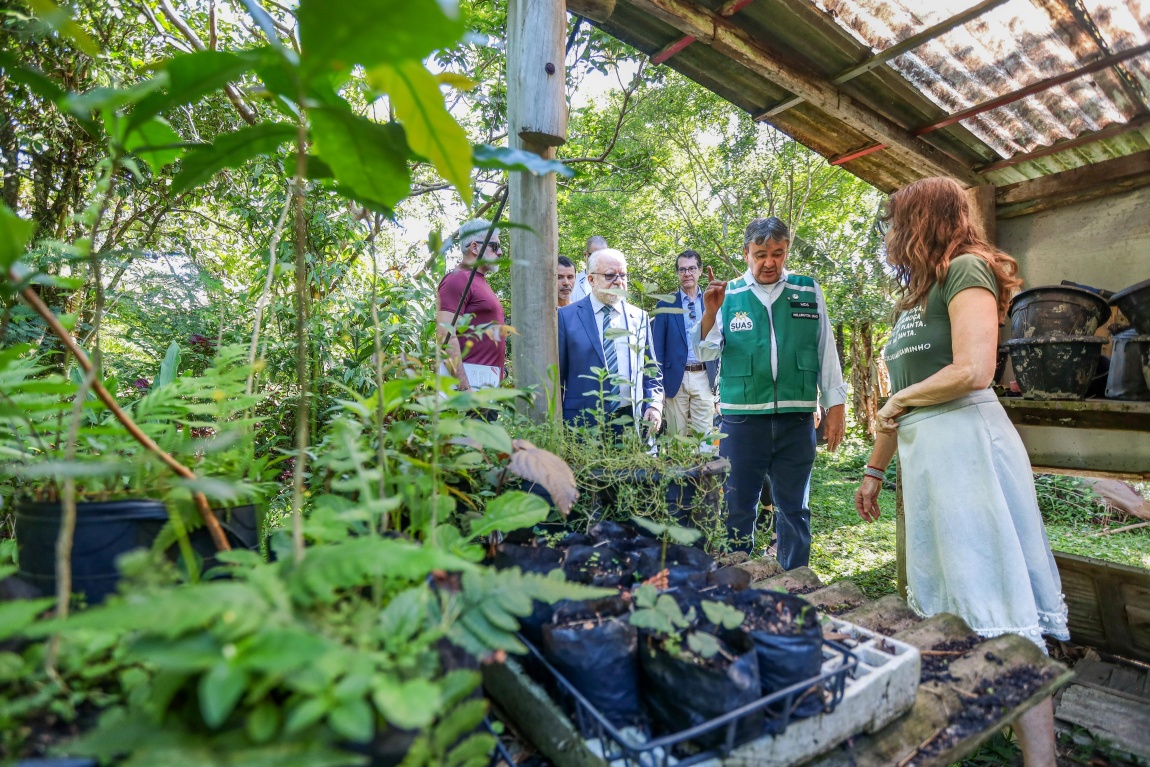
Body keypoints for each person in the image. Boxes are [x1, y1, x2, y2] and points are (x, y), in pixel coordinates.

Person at [853, 177, 1068, 767]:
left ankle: (1041, 759)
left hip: (968, 453)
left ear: (924, 219)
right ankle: (971, 726)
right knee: (951, 602)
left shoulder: (968, 268)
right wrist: (875, 470)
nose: (891, 236)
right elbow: (906, 395)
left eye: (898, 222)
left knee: (998, 597)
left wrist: (898, 403)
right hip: (929, 465)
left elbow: (974, 369)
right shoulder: (917, 295)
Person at [694, 217, 846, 567]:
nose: (769, 262)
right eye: (760, 254)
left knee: (795, 508)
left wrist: (835, 405)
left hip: (796, 419)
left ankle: (795, 582)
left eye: (777, 254)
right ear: (746, 253)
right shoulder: (727, 294)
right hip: (742, 421)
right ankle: (739, 580)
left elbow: (826, 351)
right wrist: (709, 313)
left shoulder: (808, 290)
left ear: (786, 252)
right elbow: (704, 352)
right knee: (738, 508)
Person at [557, 248, 663, 434]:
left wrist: (654, 406)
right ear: (591, 280)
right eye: (610, 276)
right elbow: (557, 378)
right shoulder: (566, 317)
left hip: (631, 420)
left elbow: (651, 371)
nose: (618, 282)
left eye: (623, 275)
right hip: (583, 423)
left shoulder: (639, 317)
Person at [652, 249, 719, 440]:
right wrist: (659, 385)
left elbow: (720, 341)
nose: (687, 274)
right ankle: (676, 471)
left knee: (704, 439)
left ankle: (703, 471)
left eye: (691, 269)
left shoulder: (712, 301)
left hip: (705, 376)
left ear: (699, 271)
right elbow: (658, 348)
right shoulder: (665, 304)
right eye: (682, 270)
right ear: (677, 274)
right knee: (675, 438)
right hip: (675, 379)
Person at [436, 218, 505, 391]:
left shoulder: (479, 282)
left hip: (485, 387)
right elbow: (445, 335)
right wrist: (464, 388)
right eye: (494, 246)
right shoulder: (458, 279)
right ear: (475, 247)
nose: (500, 252)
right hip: (467, 391)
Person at [570, 235, 607, 304]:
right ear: (585, 255)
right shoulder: (572, 283)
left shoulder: (615, 283)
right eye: (595, 256)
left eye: (603, 256)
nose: (600, 260)